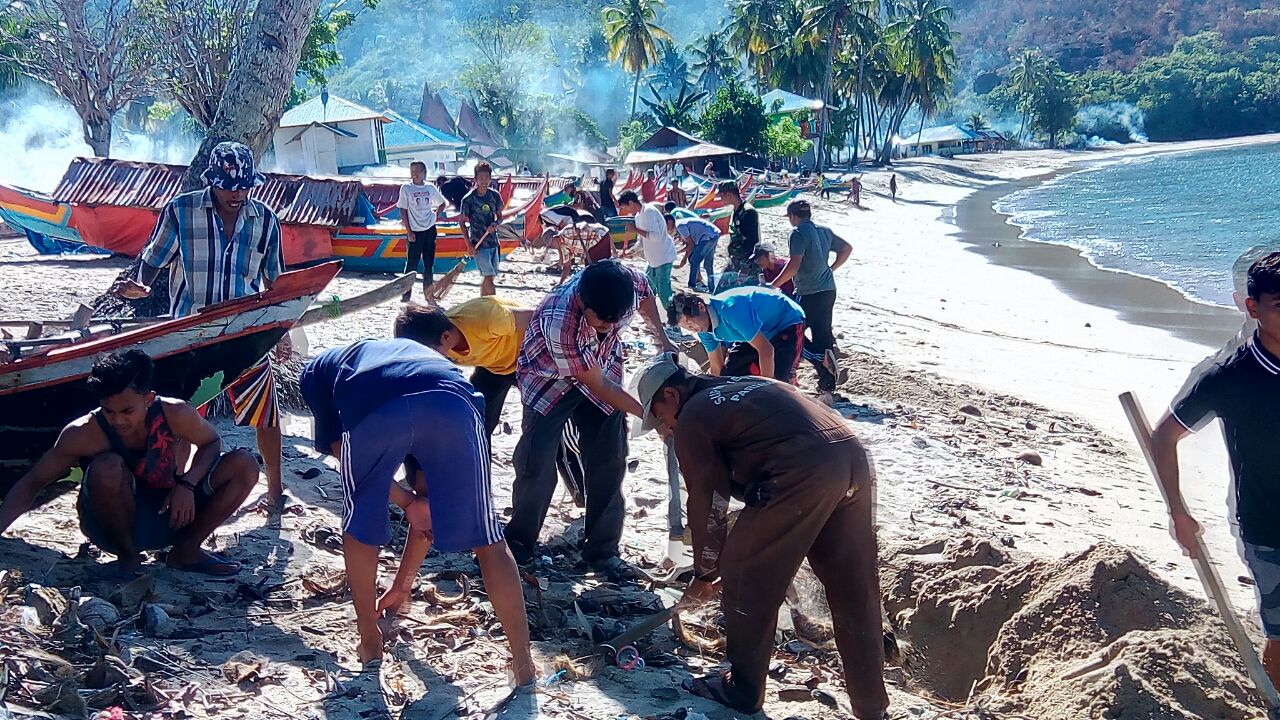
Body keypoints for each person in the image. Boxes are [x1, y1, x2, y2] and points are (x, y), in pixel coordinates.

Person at [636, 356, 889, 719]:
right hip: (852, 456)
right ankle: (871, 707)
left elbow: (709, 500)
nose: (664, 429)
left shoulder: (693, 417)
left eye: (660, 418)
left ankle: (743, 689)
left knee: (743, 574)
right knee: (854, 587)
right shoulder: (739, 386)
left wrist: (706, 572)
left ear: (672, 395)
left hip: (803, 469)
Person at [299, 337, 535, 681]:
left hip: (375, 403)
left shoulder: (315, 372)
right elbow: (426, 500)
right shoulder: (418, 356)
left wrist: (407, 504)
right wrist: (412, 506)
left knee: (361, 522)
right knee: (489, 539)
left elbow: (342, 450)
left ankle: (369, 639)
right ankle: (523, 662)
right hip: (453, 403)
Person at [115, 141, 285, 506]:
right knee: (181, 420)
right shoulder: (181, 210)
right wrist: (140, 285)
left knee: (266, 415)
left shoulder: (265, 219)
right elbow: (154, 259)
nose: (237, 194)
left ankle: (274, 493)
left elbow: (275, 283)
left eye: (244, 186)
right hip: (190, 337)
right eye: (229, 186)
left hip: (246, 335)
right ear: (212, 181)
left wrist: (282, 329)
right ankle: (172, 491)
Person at [0, 349, 258, 577]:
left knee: (244, 464)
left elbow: (212, 442)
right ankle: (128, 556)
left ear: (148, 399)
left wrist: (187, 484)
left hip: (171, 512)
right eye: (109, 412)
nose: (118, 421)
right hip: (113, 527)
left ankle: (186, 550)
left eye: (127, 412)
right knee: (107, 467)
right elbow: (32, 483)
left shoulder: (176, 413)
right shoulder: (82, 433)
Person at [1150, 252, 1280, 690]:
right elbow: (1163, 437)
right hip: (1268, 527)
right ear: (1252, 308)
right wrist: (1178, 512)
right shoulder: (1227, 376)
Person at [508, 259, 677, 580]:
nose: (610, 328)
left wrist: (662, 340)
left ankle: (602, 552)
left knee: (610, 461)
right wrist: (654, 417)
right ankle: (518, 546)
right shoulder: (561, 318)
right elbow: (597, 384)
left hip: (602, 367)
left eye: (616, 322)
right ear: (583, 303)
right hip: (547, 381)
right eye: (601, 323)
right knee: (537, 465)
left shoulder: (627, 283)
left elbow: (646, 297)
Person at [395, 300, 588, 505]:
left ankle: (582, 490)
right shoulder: (432, 342)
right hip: (492, 367)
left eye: (428, 354)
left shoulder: (486, 318)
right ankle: (479, 492)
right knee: (475, 427)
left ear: (446, 337)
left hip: (532, 363)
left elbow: (544, 319)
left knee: (548, 431)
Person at [771, 200, 851, 395]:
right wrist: (831, 269)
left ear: (792, 216)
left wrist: (774, 284)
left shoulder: (797, 233)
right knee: (822, 334)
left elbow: (794, 264)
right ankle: (827, 387)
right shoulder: (824, 231)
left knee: (789, 332)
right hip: (828, 290)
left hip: (809, 291)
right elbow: (846, 248)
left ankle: (817, 358)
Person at [668, 288, 806, 383]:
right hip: (752, 333)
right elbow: (717, 368)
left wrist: (767, 387)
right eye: (687, 328)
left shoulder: (729, 309)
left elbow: (766, 350)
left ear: (701, 307)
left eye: (691, 325)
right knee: (731, 375)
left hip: (785, 322)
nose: (694, 330)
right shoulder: (703, 330)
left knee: (780, 380)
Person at [618, 190, 679, 308]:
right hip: (653, 261)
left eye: (626, 207)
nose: (627, 210)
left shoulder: (649, 211)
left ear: (631, 202)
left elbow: (655, 237)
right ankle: (654, 317)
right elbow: (642, 241)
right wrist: (631, 252)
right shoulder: (638, 216)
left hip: (663, 258)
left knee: (665, 293)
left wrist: (634, 230)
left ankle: (674, 323)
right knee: (647, 288)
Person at [398, 161, 448, 301]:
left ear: (424, 172)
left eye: (418, 171)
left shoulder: (430, 188)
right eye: (412, 171)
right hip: (414, 230)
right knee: (411, 264)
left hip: (430, 229)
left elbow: (442, 203)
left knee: (428, 263)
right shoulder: (406, 189)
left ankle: (428, 293)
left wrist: (436, 215)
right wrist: (408, 231)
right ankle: (406, 294)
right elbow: (403, 210)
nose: (415, 174)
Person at [460, 162, 504, 297]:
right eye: (481, 178)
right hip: (478, 244)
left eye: (487, 178)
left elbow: (501, 217)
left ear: (490, 178)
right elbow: (461, 223)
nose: (484, 181)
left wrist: (496, 224)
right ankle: (494, 303)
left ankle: (483, 301)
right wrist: (468, 245)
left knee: (489, 277)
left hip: (493, 242)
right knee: (489, 276)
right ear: (475, 179)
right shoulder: (468, 199)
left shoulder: (495, 196)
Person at [668, 215, 721, 291]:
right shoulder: (680, 225)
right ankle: (712, 288)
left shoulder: (680, 227)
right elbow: (689, 244)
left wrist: (683, 258)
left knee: (694, 261)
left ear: (669, 223)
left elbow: (691, 245)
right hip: (714, 234)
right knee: (708, 264)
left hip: (707, 236)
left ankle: (692, 285)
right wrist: (681, 254)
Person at [718, 181, 759, 275]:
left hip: (746, 263)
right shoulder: (736, 211)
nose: (721, 199)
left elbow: (753, 242)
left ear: (728, 194)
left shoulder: (748, 212)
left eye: (722, 196)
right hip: (735, 259)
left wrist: (746, 267)